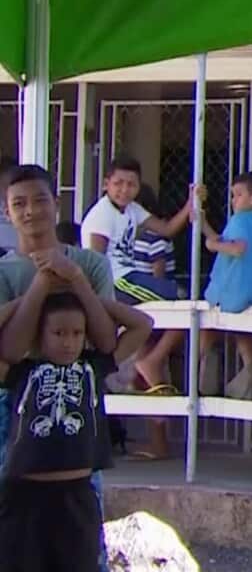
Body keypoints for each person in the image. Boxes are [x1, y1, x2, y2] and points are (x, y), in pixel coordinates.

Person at [0, 293, 115, 571]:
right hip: (24, 494)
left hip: (76, 494)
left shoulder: (92, 367)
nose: (68, 342)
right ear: (39, 335)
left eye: (77, 333)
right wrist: (34, 297)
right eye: (58, 333)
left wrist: (81, 289)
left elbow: (142, 325)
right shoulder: (21, 372)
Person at [81, 157, 199, 394]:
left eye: (131, 184)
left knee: (174, 308)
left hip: (129, 276)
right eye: (118, 183)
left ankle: (146, 363)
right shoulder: (102, 215)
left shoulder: (132, 210)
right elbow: (95, 260)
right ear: (106, 184)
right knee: (181, 303)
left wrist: (191, 203)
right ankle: (145, 363)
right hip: (117, 281)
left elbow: (166, 229)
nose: (124, 190)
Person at [198, 171, 252, 400]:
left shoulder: (240, 219)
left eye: (238, 195)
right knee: (241, 331)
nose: (233, 200)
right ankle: (248, 371)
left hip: (229, 286)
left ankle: (201, 366)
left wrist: (211, 246)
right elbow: (223, 239)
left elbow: (236, 248)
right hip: (251, 287)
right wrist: (204, 225)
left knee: (207, 325)